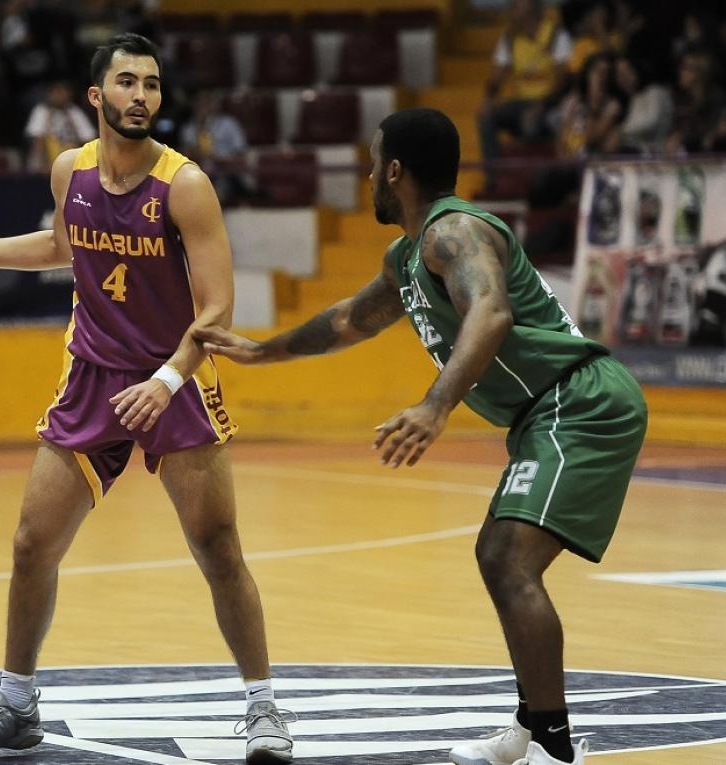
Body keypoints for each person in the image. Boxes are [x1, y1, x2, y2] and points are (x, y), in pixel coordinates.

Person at [196, 108, 648, 765]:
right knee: (498, 555)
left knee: (510, 561)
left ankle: (553, 747)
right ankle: (534, 725)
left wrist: (436, 405)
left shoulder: (454, 231)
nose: (370, 176)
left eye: (376, 163)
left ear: (396, 171)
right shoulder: (408, 256)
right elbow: (350, 318)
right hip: (547, 410)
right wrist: (264, 353)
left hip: (579, 401)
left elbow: (491, 310)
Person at [0, 33, 294, 765]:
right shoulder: (72, 169)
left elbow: (216, 313)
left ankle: (263, 709)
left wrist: (165, 382)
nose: (141, 97)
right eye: (127, 83)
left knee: (218, 546)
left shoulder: (184, 185)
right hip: (95, 374)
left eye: (152, 85)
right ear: (97, 98)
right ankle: (15, 704)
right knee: (33, 541)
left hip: (176, 376)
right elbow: (64, 246)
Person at [478, 0, 572, 190]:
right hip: (521, 105)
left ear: (532, 5)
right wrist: (488, 101)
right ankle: (493, 177)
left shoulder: (555, 34)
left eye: (517, 3)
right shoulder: (510, 38)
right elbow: (496, 78)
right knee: (486, 117)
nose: (512, 7)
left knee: (534, 124)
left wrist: (542, 106)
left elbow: (565, 80)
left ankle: (553, 180)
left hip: (550, 104)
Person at [24, 81, 96, 171]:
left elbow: (88, 137)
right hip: (48, 158)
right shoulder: (41, 110)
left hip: (71, 156)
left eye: (63, 93)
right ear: (49, 94)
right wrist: (41, 164)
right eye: (57, 93)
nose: (60, 96)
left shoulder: (74, 112)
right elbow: (37, 139)